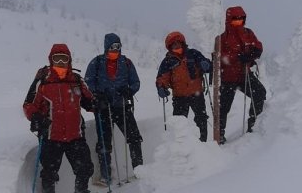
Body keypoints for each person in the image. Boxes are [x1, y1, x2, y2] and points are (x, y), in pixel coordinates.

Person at [23, 43, 95, 193]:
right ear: (51, 60)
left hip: (75, 136)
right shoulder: (43, 80)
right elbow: (28, 104)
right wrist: (36, 117)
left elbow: (89, 101)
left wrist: (96, 103)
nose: (61, 63)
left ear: (69, 60)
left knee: (85, 168)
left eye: (64, 59)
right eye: (57, 59)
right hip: (51, 137)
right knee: (49, 174)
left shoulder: (76, 80)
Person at [84, 33, 143, 184]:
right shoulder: (96, 62)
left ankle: (139, 169)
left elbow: (135, 82)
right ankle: (105, 175)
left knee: (134, 137)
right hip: (103, 108)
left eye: (118, 47)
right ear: (106, 47)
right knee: (104, 143)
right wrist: (97, 94)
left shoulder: (126, 63)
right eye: (112, 47)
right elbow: (88, 82)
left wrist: (129, 90)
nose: (115, 50)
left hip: (122, 106)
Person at [215, 6, 266, 144]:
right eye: (235, 20)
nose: (238, 22)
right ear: (229, 20)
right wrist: (238, 57)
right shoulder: (222, 38)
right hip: (228, 77)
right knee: (223, 107)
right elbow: (220, 58)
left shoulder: (248, 33)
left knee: (260, 93)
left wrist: (254, 53)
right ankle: (219, 136)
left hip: (244, 74)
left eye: (241, 19)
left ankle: (254, 124)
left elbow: (258, 46)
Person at [156, 31, 212, 142]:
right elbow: (162, 78)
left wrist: (205, 64)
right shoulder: (167, 61)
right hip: (179, 97)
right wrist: (161, 87)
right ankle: (180, 147)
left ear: (183, 43)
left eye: (178, 44)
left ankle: (203, 142)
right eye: (174, 45)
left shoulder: (193, 54)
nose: (177, 47)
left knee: (201, 119)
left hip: (196, 94)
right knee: (178, 124)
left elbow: (208, 65)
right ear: (169, 47)